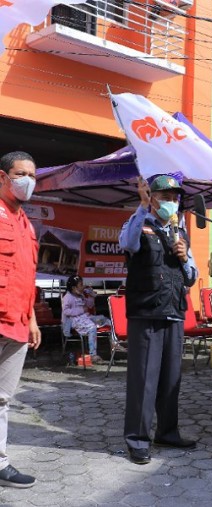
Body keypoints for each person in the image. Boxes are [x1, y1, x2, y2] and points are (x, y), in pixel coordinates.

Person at [119, 174, 198, 465]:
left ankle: (168, 431)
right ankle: (138, 440)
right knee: (144, 380)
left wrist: (185, 256)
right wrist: (140, 209)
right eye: (164, 196)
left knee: (170, 379)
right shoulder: (139, 225)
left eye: (175, 197)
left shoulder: (181, 232)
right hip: (146, 313)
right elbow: (126, 243)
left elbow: (191, 277)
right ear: (151, 197)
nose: (171, 201)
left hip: (174, 313)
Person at [0, 151, 41, 488]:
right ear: (3, 177)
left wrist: (32, 321)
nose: (27, 180)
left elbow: (26, 276)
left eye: (32, 175)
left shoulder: (25, 221)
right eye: (20, 173)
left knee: (1, 398)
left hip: (16, 325)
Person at [61, 276, 108, 364]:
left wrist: (91, 296)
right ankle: (93, 354)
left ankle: (115, 345)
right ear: (74, 288)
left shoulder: (81, 295)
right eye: (81, 285)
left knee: (106, 321)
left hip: (85, 317)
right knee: (92, 327)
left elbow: (89, 305)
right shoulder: (68, 297)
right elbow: (66, 311)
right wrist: (81, 310)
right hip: (73, 320)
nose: (83, 286)